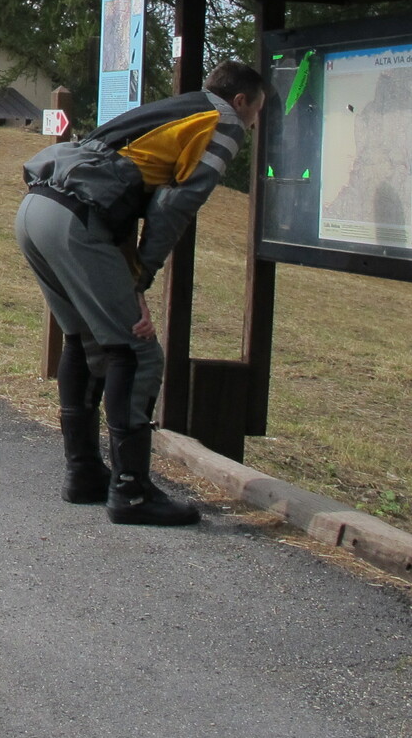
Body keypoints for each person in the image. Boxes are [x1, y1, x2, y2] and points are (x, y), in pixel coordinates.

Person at [15, 58, 266, 526]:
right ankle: (131, 492)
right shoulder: (224, 123)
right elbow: (175, 205)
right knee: (138, 353)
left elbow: (124, 188)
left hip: (38, 207)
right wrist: (141, 275)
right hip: (78, 221)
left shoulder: (175, 108)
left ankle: (84, 473)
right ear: (240, 100)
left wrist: (131, 276)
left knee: (86, 341)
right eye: (256, 112)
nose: (252, 125)